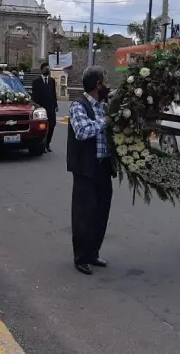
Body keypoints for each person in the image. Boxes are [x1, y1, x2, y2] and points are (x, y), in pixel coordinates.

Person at [66, 66, 113, 276]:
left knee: (101, 213)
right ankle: (81, 258)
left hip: (103, 168)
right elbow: (83, 131)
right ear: (97, 85)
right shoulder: (79, 105)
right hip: (86, 169)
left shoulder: (104, 105)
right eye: (105, 81)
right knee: (84, 215)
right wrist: (106, 121)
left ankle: (93, 253)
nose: (108, 84)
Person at [31, 62, 58, 152]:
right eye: (46, 68)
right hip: (41, 108)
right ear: (41, 69)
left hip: (51, 107)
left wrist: (56, 105)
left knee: (52, 126)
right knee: (42, 127)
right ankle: (42, 144)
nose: (47, 70)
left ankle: (48, 144)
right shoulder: (36, 81)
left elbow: (53, 93)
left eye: (48, 68)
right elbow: (34, 96)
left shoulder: (52, 81)